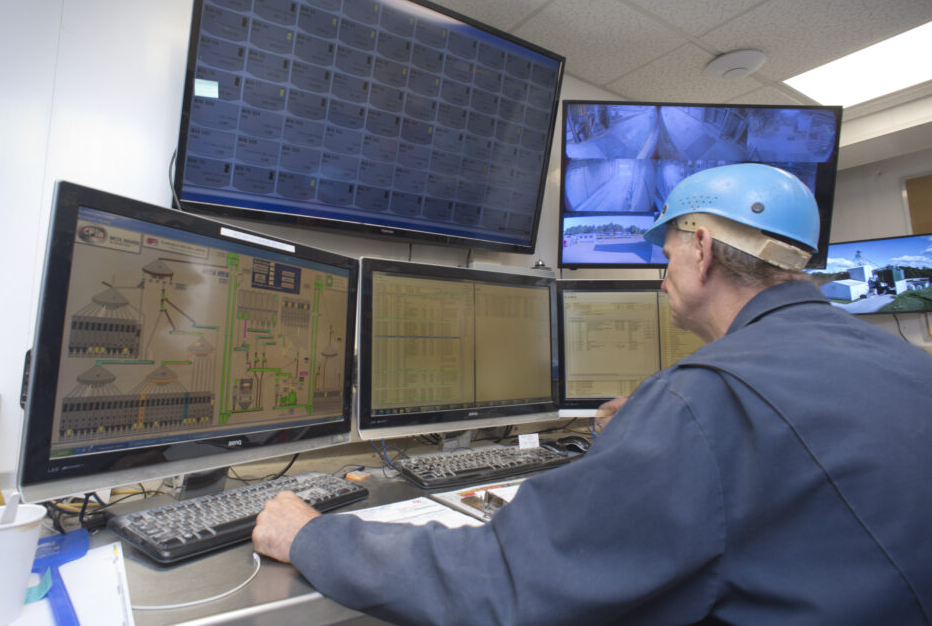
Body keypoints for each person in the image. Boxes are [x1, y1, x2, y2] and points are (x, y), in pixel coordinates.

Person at [253, 164, 932, 625]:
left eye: (665, 256)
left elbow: (504, 577)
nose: (664, 278)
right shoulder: (905, 362)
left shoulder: (705, 404)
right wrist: (649, 435)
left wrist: (315, 537)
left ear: (699, 249)